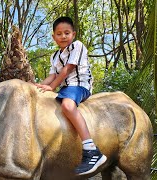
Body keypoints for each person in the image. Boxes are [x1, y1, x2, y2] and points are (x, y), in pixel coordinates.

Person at [35, 16, 107, 175]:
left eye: (67, 33)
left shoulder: (77, 46)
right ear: (53, 37)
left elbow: (67, 69)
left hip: (80, 85)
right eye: (59, 34)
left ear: (73, 34)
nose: (63, 36)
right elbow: (52, 76)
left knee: (67, 105)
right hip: (66, 88)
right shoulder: (54, 56)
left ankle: (91, 150)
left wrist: (52, 87)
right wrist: (38, 86)